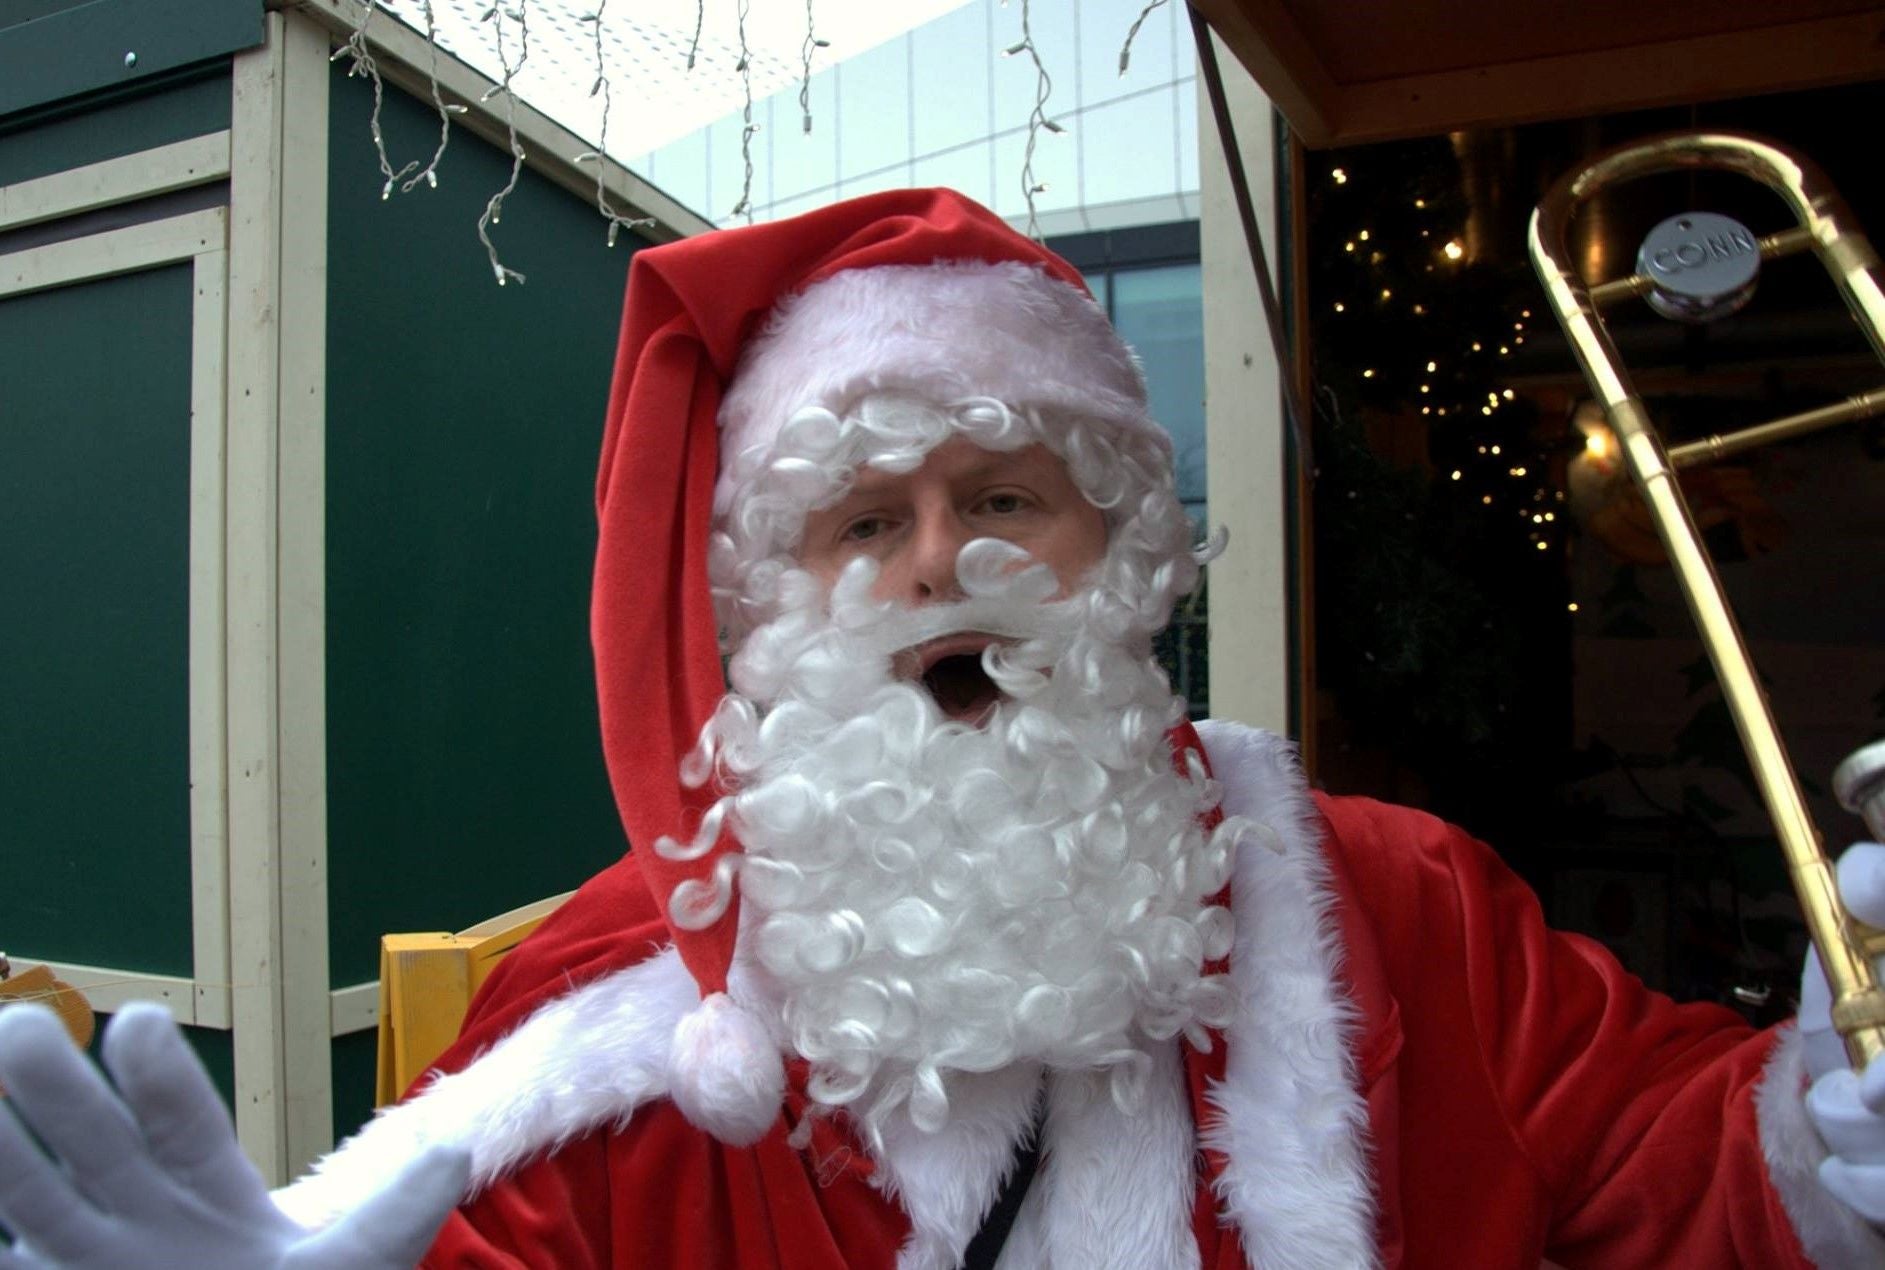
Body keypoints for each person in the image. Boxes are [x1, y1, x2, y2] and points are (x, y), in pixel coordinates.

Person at [4, 187, 1885, 1269]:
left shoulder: (1401, 904)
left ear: (1119, 551)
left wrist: (1822, 1114)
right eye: (862, 521)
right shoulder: (613, 998)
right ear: (777, 600)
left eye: (1002, 497)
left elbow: (1660, 1160)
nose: (937, 564)